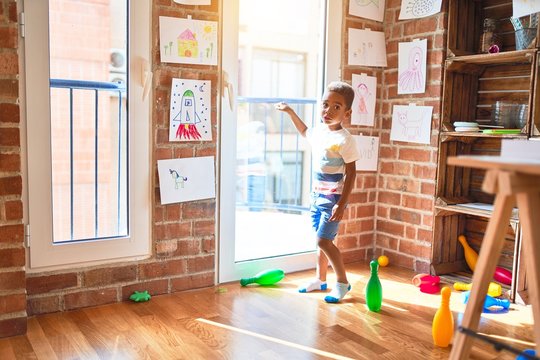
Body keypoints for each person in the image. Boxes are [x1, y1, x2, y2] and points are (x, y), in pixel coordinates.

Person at [275, 81, 359, 303]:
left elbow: (351, 174)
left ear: (347, 113)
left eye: (336, 107)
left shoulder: (345, 140)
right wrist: (290, 111)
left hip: (333, 200)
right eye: (325, 104)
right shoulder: (320, 132)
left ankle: (342, 283)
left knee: (324, 242)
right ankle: (320, 280)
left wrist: (341, 204)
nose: (328, 111)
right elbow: (304, 131)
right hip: (316, 198)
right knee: (320, 241)